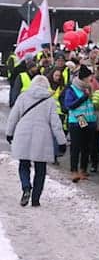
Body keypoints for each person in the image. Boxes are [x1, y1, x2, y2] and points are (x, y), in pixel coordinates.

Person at [6, 75, 67, 207]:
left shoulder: (23, 97)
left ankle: (26, 187)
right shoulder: (49, 100)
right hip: (42, 136)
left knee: (24, 164)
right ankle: (35, 199)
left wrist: (9, 133)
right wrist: (62, 142)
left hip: (23, 133)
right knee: (40, 169)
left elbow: (13, 117)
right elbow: (55, 123)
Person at [62, 75, 99, 183]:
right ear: (83, 79)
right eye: (88, 78)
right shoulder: (72, 89)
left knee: (86, 146)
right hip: (78, 119)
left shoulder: (91, 88)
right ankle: (74, 170)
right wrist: (83, 98)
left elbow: (94, 104)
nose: (90, 80)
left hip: (90, 119)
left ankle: (83, 169)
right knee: (76, 146)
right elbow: (69, 105)